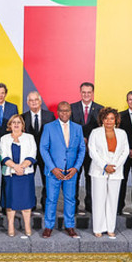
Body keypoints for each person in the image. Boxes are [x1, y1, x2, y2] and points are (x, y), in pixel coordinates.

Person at [40, 101, 85, 238]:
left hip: (71, 171)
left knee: (70, 199)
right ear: (57, 112)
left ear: (70, 112)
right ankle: (48, 227)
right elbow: (43, 148)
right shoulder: (49, 127)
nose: (64, 113)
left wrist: (76, 168)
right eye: (61, 110)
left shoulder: (77, 128)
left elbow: (82, 149)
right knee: (51, 200)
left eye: (67, 110)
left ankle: (69, 226)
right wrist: (53, 168)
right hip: (54, 172)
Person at [88, 107, 128, 238]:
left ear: (116, 120)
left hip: (116, 170)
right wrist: (104, 166)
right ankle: (98, 228)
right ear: (102, 120)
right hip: (99, 170)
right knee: (99, 199)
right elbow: (92, 151)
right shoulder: (95, 132)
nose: (109, 121)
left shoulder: (122, 133)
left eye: (111, 118)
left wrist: (114, 166)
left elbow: (125, 151)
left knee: (112, 200)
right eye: (106, 118)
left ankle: (110, 228)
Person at [0, 114, 36, 237]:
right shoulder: (4, 139)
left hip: (25, 175)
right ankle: (10, 225)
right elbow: (3, 155)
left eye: (18, 122)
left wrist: (22, 167)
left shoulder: (29, 138)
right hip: (10, 175)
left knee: (26, 202)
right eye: (13, 122)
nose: (16, 124)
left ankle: (27, 226)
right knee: (10, 202)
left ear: (22, 125)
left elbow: (32, 154)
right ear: (10, 125)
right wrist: (15, 167)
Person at [70, 82, 102, 214]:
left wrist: (90, 142)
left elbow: (101, 130)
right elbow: (69, 128)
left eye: (89, 92)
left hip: (92, 152)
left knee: (91, 179)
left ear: (93, 93)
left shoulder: (100, 109)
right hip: (76, 151)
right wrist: (80, 140)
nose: (86, 94)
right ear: (80, 92)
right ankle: (73, 206)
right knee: (74, 179)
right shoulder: (72, 108)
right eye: (84, 92)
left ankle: (90, 205)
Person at [21, 91, 55, 211]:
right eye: (31, 100)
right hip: (29, 155)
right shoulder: (22, 117)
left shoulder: (50, 116)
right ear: (27, 103)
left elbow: (54, 135)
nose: (34, 102)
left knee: (47, 181)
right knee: (28, 180)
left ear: (40, 101)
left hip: (46, 154)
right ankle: (31, 204)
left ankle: (46, 204)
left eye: (36, 100)